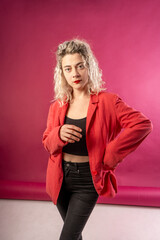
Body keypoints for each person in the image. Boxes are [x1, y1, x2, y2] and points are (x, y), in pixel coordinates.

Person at [42, 39, 152, 240]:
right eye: (68, 69)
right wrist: (58, 133)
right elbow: (48, 144)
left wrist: (110, 154)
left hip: (88, 180)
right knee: (74, 235)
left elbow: (142, 124)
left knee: (68, 237)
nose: (74, 73)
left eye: (80, 66)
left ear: (89, 67)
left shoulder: (108, 102)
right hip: (59, 177)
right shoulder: (58, 105)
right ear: (62, 73)